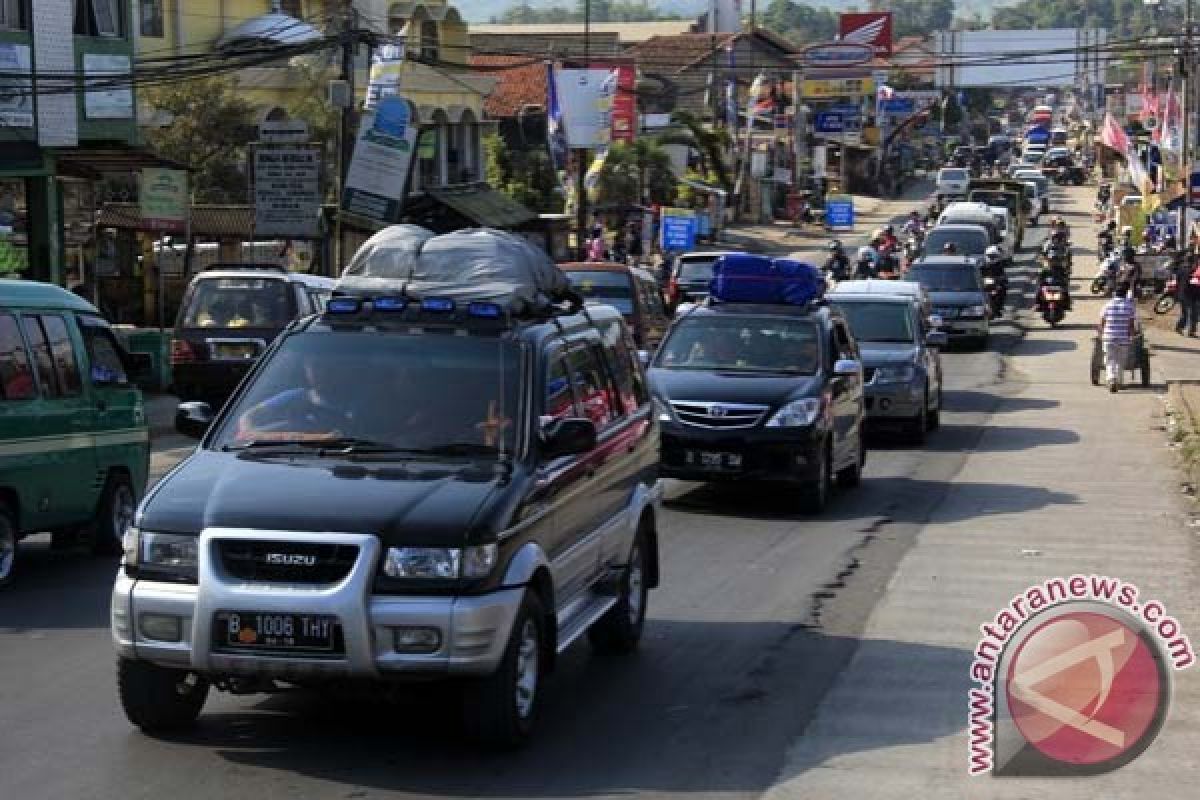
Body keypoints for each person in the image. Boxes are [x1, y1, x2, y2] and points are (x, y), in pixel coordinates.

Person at [1098, 282, 1138, 392]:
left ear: (1115, 293)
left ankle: (1111, 379)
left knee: (1109, 359)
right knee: (1120, 360)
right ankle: (1119, 382)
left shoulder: (1107, 305)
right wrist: (1132, 335)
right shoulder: (1130, 306)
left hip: (1109, 337)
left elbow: (1102, 322)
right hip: (1123, 338)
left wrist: (1101, 334)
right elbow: (1131, 325)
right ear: (1125, 294)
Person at [1178, 255, 1200, 337]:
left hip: (1193, 295)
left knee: (1193, 313)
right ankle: (1182, 328)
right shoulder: (1189, 270)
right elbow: (1188, 282)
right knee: (1188, 313)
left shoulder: (1183, 269)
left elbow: (1178, 280)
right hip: (1186, 294)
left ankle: (1191, 331)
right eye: (1197, 261)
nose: (1198, 262)